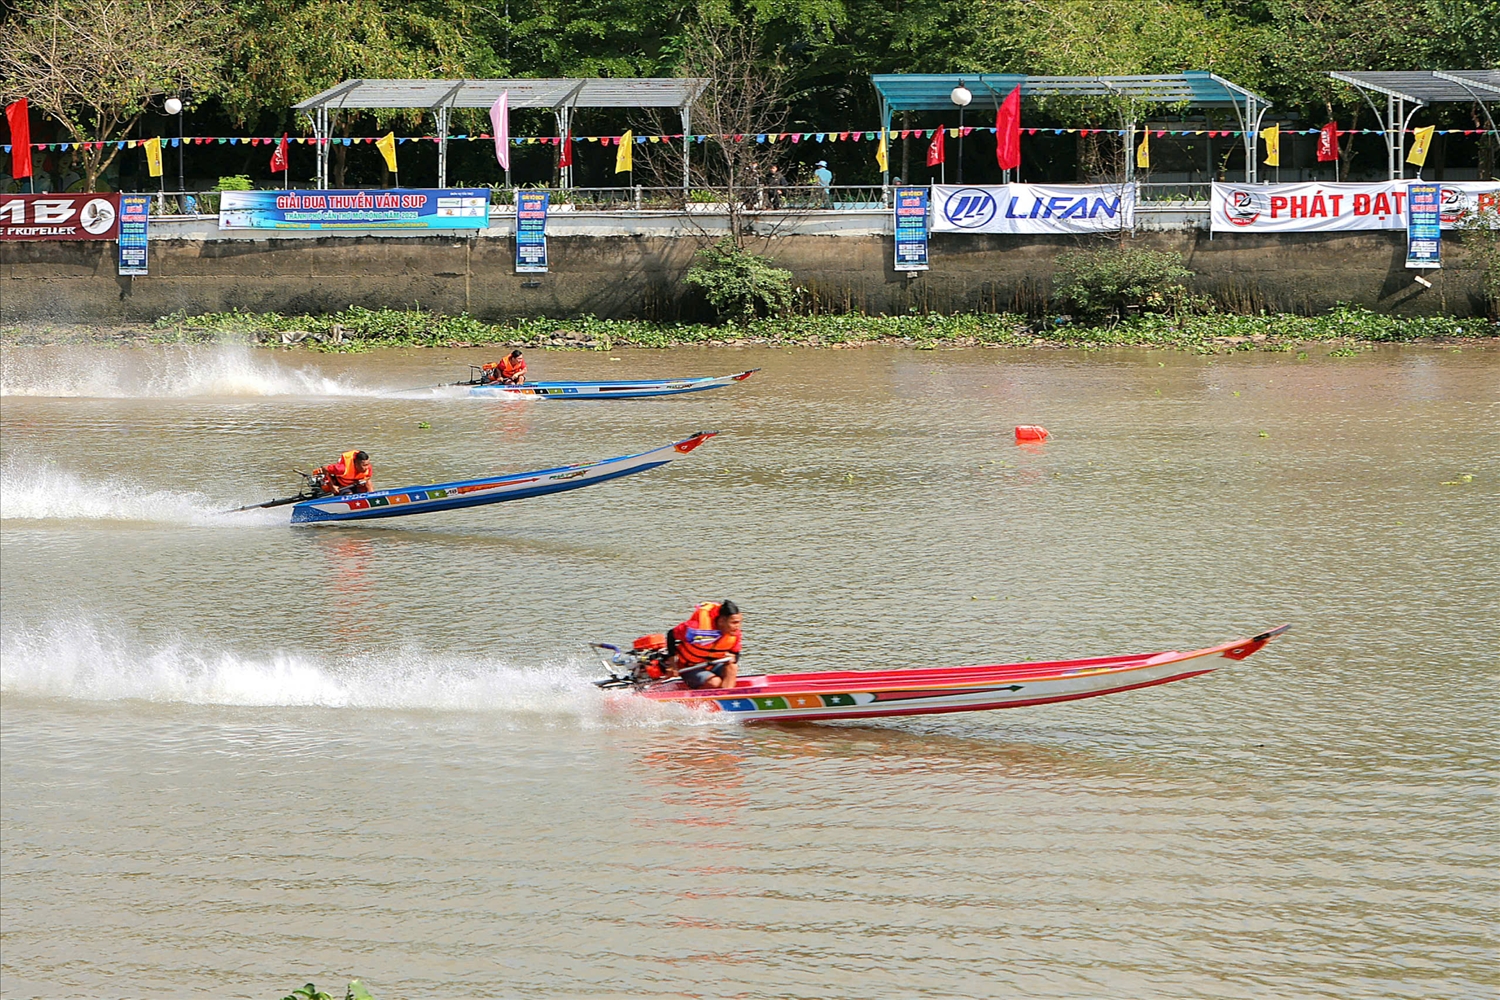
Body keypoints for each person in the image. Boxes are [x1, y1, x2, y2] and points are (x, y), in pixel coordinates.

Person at [666, 600, 742, 690]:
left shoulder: (734, 634)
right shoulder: (696, 629)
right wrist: (672, 665)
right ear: (721, 621)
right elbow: (671, 634)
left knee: (732, 666)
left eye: (739, 622)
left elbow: (736, 654)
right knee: (715, 683)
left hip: (713, 665)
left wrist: (734, 657)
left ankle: (726, 696)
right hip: (690, 667)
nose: (738, 626)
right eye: (734, 623)